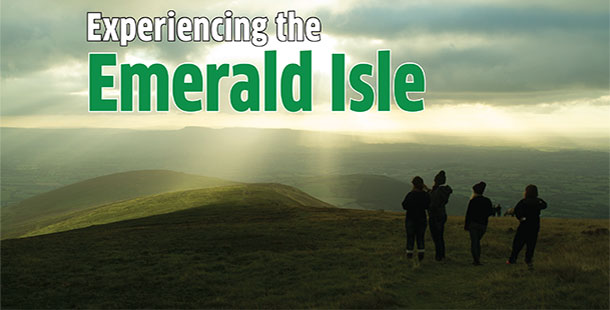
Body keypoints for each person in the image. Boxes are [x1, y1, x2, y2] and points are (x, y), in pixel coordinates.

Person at [507, 184, 547, 269]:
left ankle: (512, 259)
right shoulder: (538, 201)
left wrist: (521, 218)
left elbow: (517, 210)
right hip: (535, 225)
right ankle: (528, 260)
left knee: (518, 242)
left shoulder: (524, 201)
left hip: (525, 225)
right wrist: (539, 200)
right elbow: (545, 205)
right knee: (531, 244)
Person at [464, 181, 493, 266]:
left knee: (474, 242)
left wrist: (466, 225)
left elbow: (468, 214)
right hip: (483, 225)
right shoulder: (487, 201)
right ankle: (477, 259)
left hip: (473, 224)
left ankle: (476, 260)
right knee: (477, 242)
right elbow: (490, 212)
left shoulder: (473, 201)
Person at [402, 176, 430, 261]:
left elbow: (404, 205)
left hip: (411, 218)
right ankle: (421, 256)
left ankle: (409, 256)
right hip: (422, 218)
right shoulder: (425, 195)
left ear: (413, 184)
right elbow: (428, 204)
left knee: (410, 237)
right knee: (420, 237)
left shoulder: (410, 194)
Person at [428, 170, 453, 261]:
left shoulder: (437, 191)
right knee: (440, 236)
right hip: (442, 214)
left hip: (435, 216)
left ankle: (438, 256)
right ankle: (442, 255)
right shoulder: (443, 191)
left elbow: (433, 203)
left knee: (436, 237)